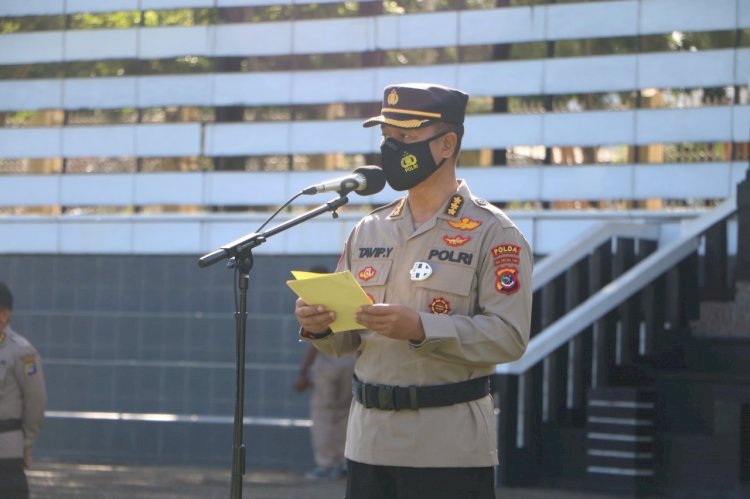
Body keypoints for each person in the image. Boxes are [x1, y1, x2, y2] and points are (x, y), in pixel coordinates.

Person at [294, 83, 533, 499]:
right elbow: (348, 342)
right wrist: (320, 325)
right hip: (368, 442)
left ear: (446, 144)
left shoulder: (494, 232)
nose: (391, 148)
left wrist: (422, 328)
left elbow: (509, 338)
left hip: (447, 448)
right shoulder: (369, 228)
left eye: (405, 138)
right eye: (387, 138)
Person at [293, 266, 356, 480]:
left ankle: (326, 463)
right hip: (351, 359)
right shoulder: (342, 294)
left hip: (328, 363)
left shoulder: (314, 300)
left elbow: (315, 343)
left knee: (323, 414)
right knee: (347, 413)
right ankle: (344, 462)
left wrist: (303, 372)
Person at [0, 281, 47, 499]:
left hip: (5, 454)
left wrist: (27, 442)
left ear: (4, 314)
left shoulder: (21, 351)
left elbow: (36, 400)